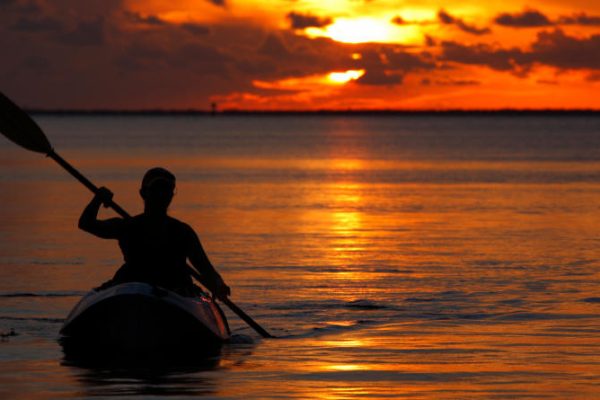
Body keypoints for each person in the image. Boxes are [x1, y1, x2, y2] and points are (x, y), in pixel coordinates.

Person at [78, 167, 230, 299]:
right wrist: (97, 199)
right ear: (143, 193)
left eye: (166, 190)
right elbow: (86, 224)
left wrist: (219, 284)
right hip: (132, 287)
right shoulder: (128, 226)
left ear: (172, 195)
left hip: (176, 290)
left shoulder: (182, 232)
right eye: (156, 189)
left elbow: (206, 270)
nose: (161, 194)